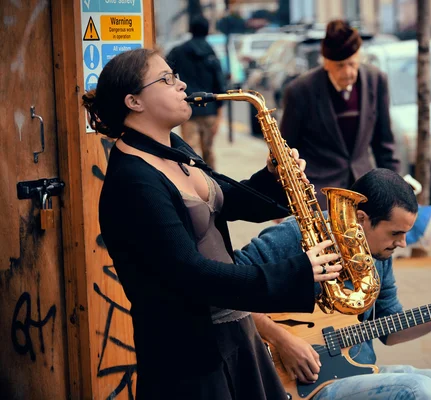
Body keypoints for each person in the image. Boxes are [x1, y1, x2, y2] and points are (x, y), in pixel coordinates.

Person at [81, 48, 343, 399]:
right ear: (134, 101)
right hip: (190, 359)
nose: (182, 84)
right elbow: (191, 274)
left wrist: (274, 177)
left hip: (236, 333)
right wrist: (297, 271)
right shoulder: (133, 182)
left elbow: (228, 200)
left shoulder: (172, 147)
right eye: (168, 79)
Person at [235, 169, 431, 400]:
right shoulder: (295, 235)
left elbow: (391, 328)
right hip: (305, 386)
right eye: (395, 233)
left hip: (362, 373)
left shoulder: (377, 254)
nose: (402, 244)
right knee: (419, 390)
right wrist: (280, 339)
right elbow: (226, 287)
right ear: (361, 219)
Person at [279, 19, 400, 209]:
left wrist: (395, 194)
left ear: (359, 57)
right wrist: (284, 199)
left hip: (364, 192)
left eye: (352, 64)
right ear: (326, 63)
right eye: (340, 66)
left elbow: (384, 144)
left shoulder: (376, 81)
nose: (348, 72)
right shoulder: (300, 90)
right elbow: (286, 151)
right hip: (320, 195)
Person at [166, 14, 225, 169]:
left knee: (190, 151)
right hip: (210, 110)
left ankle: (193, 184)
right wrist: (219, 115)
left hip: (188, 107)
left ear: (190, 30)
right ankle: (213, 182)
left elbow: (165, 74)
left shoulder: (177, 52)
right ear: (207, 31)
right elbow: (220, 85)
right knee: (209, 151)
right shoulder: (211, 53)